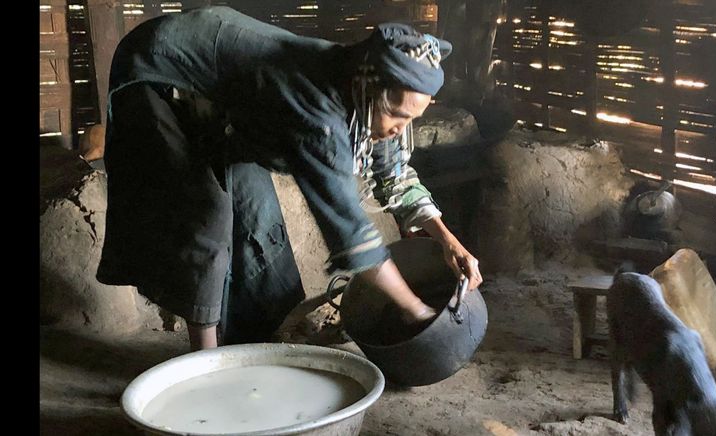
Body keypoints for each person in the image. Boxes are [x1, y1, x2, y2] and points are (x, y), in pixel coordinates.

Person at [96, 6, 483, 351]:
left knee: (255, 211)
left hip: (227, 94)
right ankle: (207, 364)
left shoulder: (369, 92)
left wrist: (448, 242)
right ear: (369, 88)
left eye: (412, 119)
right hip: (160, 70)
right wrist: (415, 310)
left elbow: (394, 174)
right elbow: (349, 230)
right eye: (398, 116)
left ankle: (252, 342)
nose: (402, 128)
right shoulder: (319, 112)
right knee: (208, 216)